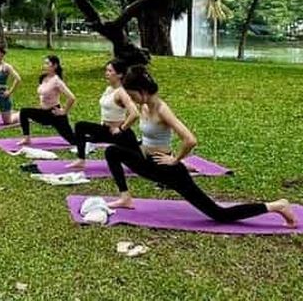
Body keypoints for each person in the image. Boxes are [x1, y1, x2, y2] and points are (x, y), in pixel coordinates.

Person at [104, 65, 296, 227]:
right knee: (112, 151)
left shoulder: (162, 110)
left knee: (219, 214)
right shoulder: (145, 106)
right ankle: (125, 198)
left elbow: (190, 139)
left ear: (143, 91)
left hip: (168, 170)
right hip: (148, 164)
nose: (133, 99)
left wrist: (176, 160)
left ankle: (276, 206)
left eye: (133, 95)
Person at [68, 58, 139, 168]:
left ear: (120, 75)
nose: (106, 73)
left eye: (110, 71)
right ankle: (81, 160)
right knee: (80, 126)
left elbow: (135, 114)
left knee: (139, 162)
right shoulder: (109, 89)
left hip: (119, 134)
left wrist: (121, 129)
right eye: (106, 70)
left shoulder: (122, 92)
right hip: (105, 130)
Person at [18, 55, 76, 146]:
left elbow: (72, 98)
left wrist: (64, 111)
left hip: (54, 114)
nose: (44, 65)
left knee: (74, 141)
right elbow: (43, 93)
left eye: (47, 63)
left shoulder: (57, 81)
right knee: (24, 112)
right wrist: (41, 104)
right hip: (43, 113)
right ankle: (27, 139)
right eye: (44, 63)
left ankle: (91, 138)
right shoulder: (43, 78)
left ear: (55, 66)